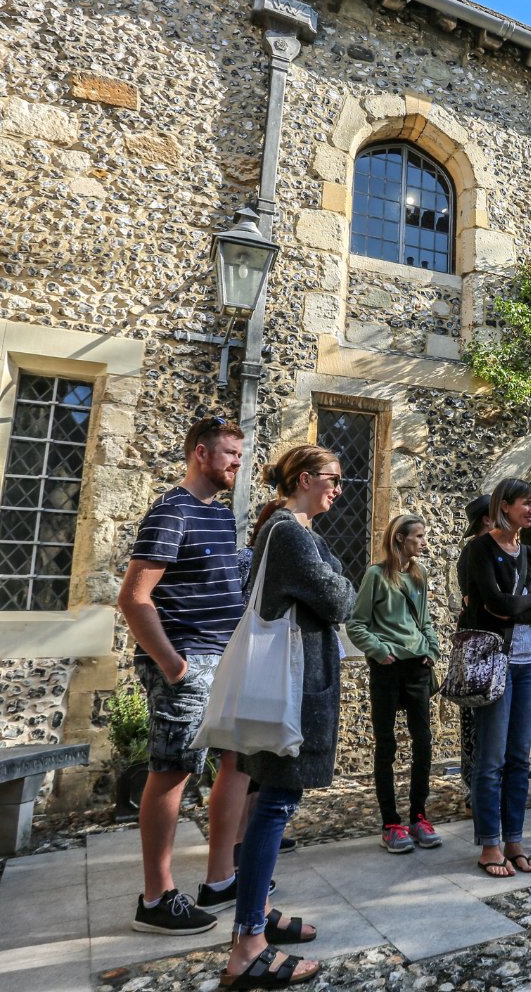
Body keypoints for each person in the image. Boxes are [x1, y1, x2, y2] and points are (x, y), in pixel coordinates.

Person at [221, 445, 356, 988]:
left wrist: (337, 580)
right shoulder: (290, 534)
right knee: (275, 803)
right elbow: (343, 599)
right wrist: (339, 581)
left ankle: (260, 912)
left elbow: (338, 586)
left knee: (268, 801)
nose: (339, 489)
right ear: (305, 478)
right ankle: (247, 943)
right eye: (333, 479)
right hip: (291, 689)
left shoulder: (292, 532)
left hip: (294, 683)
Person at [119, 416, 251, 935]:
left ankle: (220, 879)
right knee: (173, 770)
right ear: (201, 453)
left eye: (239, 456)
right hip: (187, 663)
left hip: (224, 660)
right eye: (229, 455)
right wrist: (175, 666)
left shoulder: (220, 516)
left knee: (236, 763)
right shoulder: (171, 512)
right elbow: (133, 598)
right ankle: (156, 897)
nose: (237, 464)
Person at [463, 478, 531, 877]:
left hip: (529, 661)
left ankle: (514, 839)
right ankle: (489, 846)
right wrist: (521, 605)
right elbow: (491, 603)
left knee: (519, 758)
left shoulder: (529, 552)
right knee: (491, 759)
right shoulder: (479, 549)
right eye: (525, 503)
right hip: (494, 661)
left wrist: (515, 608)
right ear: (504, 506)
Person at [348, 514, 442, 853]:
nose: (423, 541)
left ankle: (419, 815)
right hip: (387, 669)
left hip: (417, 666)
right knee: (386, 745)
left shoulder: (420, 574)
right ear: (400, 538)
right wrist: (379, 650)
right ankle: (391, 823)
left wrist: (432, 649)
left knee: (424, 743)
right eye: (418, 536)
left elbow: (425, 619)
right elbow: (357, 624)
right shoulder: (376, 575)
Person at [455, 495, 491, 803]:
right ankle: (474, 785)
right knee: (474, 718)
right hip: (478, 643)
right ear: (488, 520)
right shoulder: (472, 553)